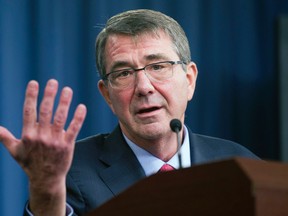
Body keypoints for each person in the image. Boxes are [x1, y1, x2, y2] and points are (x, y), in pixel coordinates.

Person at [0, 9, 259, 216]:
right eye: (124, 73)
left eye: (158, 66)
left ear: (189, 79)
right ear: (107, 94)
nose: (144, 87)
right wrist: (46, 193)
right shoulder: (69, 171)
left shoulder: (240, 165)